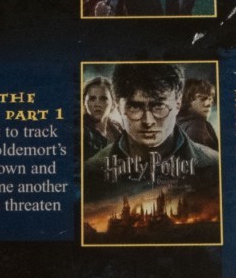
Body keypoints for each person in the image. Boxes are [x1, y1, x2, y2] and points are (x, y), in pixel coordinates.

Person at [85, 63, 221, 238]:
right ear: (118, 106)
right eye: (135, 107)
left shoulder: (214, 164)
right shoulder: (91, 170)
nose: (148, 121)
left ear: (178, 103)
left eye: (159, 106)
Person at [82, 76, 124, 157]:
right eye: (92, 98)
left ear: (113, 103)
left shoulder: (117, 129)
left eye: (103, 99)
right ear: (84, 102)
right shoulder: (80, 131)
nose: (97, 104)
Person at [178, 78, 219, 150]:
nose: (208, 104)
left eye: (210, 99)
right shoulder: (197, 125)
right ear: (187, 100)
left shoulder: (178, 124)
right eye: (202, 98)